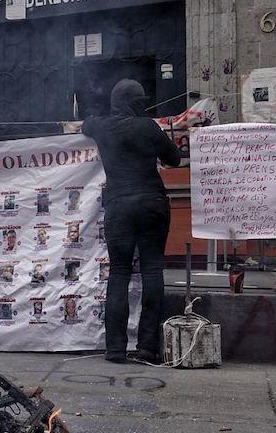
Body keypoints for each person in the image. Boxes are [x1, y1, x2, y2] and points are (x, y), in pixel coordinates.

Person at [82, 79, 182, 364]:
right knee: (152, 271)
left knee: (119, 273)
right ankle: (147, 347)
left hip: (119, 206)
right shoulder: (148, 127)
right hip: (152, 204)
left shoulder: (101, 127)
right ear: (136, 102)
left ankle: (115, 348)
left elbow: (86, 124)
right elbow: (174, 159)